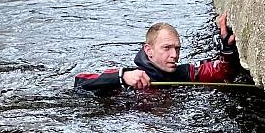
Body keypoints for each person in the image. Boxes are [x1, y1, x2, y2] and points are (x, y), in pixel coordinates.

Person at [74, 13, 238, 92]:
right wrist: (122, 77)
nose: (174, 55)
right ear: (148, 50)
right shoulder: (132, 78)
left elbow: (222, 73)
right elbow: (80, 83)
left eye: (177, 48)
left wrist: (227, 49)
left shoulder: (184, 74)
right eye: (167, 48)